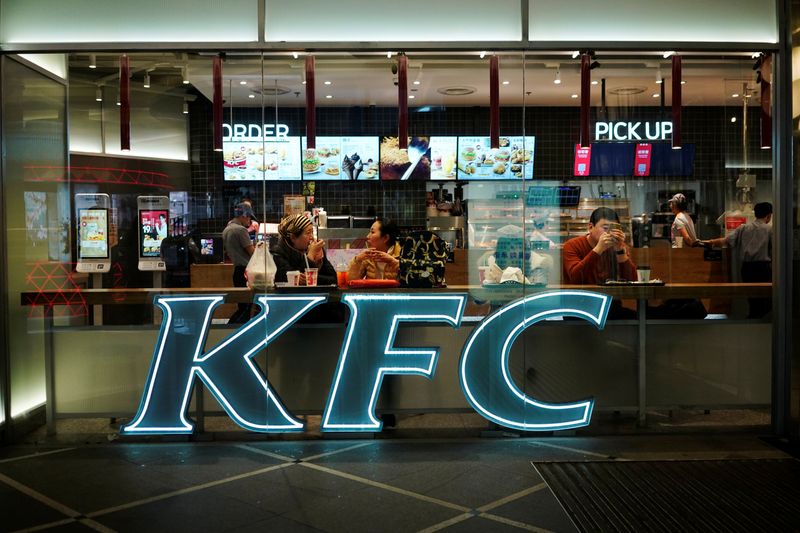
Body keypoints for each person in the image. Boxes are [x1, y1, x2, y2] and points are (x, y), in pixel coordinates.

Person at [700, 201, 773, 318]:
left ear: (755, 214)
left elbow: (726, 241)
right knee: (765, 300)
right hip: (763, 268)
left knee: (752, 300)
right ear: (769, 216)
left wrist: (708, 242)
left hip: (747, 269)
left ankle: (753, 322)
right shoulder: (769, 229)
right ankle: (759, 324)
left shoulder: (743, 228)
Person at [562, 207, 637, 319]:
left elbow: (632, 281)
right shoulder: (572, 245)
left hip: (609, 305)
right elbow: (575, 277)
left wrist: (620, 251)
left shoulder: (619, 248)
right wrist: (598, 249)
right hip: (578, 307)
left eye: (614, 229)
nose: (609, 233)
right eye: (605, 228)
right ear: (590, 227)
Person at [272, 213, 336, 285]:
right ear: (293, 237)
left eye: (312, 232)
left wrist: (314, 277)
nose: (312, 237)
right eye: (308, 233)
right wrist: (310, 256)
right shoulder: (278, 254)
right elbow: (294, 280)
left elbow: (333, 279)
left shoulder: (315, 249)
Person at [222, 203, 256, 323]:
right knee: (246, 308)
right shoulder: (241, 230)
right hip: (245, 272)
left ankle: (231, 329)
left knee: (242, 307)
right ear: (244, 215)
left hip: (237, 271)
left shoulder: (227, 229)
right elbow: (253, 253)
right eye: (249, 217)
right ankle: (230, 329)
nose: (250, 220)